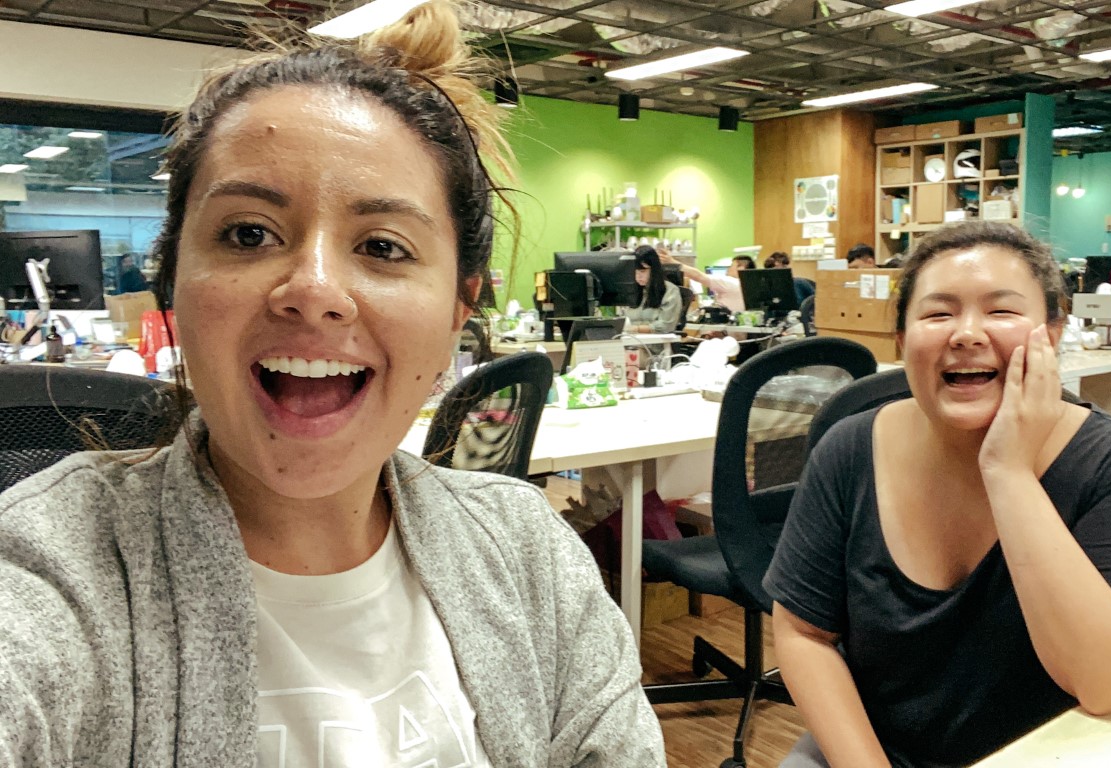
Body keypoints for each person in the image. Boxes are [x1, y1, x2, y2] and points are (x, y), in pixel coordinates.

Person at [0, 3, 664, 765]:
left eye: (383, 246)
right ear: (171, 285)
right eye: (248, 233)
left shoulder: (526, 554)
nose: (313, 289)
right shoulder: (52, 570)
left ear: (460, 308)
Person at [766, 222, 1111, 768]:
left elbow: (1107, 684)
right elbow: (803, 634)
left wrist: (1008, 471)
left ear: (1053, 332)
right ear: (901, 340)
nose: (966, 333)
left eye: (1001, 310)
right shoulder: (850, 450)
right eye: (938, 314)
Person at [661, 250, 752, 312]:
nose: (728, 269)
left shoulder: (731, 283)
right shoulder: (748, 286)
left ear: (741, 268)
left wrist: (672, 262)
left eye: (731, 265)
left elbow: (698, 276)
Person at [624, 245, 681, 333]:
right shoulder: (632, 291)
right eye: (635, 272)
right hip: (630, 342)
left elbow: (666, 326)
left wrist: (636, 329)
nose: (638, 276)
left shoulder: (670, 291)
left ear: (654, 270)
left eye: (642, 271)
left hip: (656, 344)